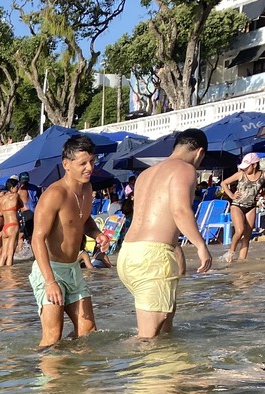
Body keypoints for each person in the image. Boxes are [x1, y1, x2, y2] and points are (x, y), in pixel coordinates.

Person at [117, 128, 212, 339]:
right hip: (152, 256)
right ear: (199, 153)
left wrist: (176, 250)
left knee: (166, 323)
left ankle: (171, 371)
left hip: (129, 253)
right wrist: (201, 246)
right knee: (147, 337)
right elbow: (179, 211)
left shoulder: (146, 174)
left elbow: (156, 216)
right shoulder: (185, 170)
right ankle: (104, 367)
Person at [29, 135, 111, 347]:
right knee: (53, 336)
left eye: (92, 161)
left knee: (88, 331)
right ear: (66, 165)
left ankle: (75, 377)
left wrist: (97, 234)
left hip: (73, 268)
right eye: (82, 163)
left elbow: (82, 219)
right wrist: (50, 282)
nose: (89, 168)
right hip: (50, 269)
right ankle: (44, 379)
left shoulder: (86, 189)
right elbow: (37, 239)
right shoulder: (54, 194)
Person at [220, 152, 264, 263]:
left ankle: (241, 261)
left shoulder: (263, 175)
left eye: (246, 167)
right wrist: (231, 195)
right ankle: (230, 252)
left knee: (247, 235)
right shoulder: (240, 174)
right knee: (240, 231)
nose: (244, 169)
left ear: (254, 165)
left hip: (251, 207)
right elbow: (224, 183)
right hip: (237, 206)